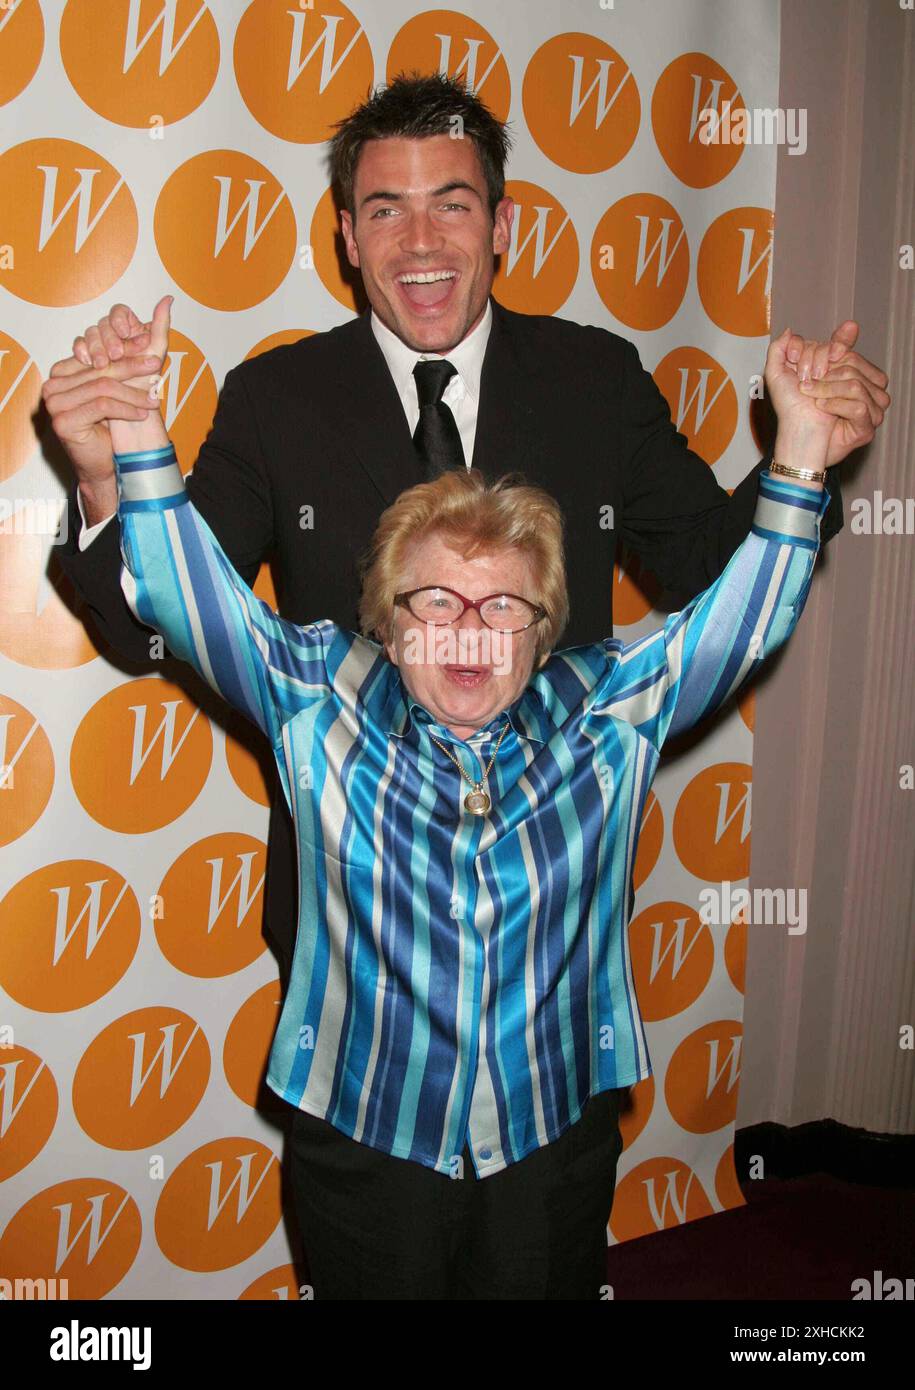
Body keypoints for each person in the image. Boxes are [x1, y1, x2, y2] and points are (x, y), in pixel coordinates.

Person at [43, 73, 890, 1010]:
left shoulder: (595, 381)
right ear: (347, 235)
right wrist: (99, 478)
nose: (419, 243)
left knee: (558, 1165)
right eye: (385, 209)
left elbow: (704, 564)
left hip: (555, 922)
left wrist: (802, 463)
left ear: (503, 225)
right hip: (346, 934)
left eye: (452, 204)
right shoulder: (275, 399)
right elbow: (158, 625)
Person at [97, 295, 831, 1299]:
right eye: (435, 601)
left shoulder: (606, 711)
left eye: (505, 607)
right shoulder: (320, 697)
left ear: (542, 630)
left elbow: (741, 621)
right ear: (390, 626)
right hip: (367, 1147)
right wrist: (138, 428)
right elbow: (191, 595)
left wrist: (802, 455)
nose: (469, 632)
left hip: (551, 1147)